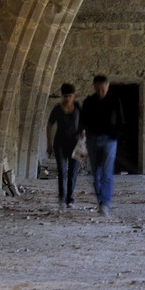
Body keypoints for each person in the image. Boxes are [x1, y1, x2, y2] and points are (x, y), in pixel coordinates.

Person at [80, 74, 123, 215]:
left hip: (109, 140)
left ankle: (105, 203)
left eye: (103, 89)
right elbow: (83, 121)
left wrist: (116, 135)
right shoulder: (89, 101)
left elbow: (121, 120)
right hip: (92, 140)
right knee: (96, 174)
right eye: (98, 89)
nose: (100, 92)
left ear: (107, 86)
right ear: (94, 86)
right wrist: (83, 133)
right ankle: (101, 200)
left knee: (107, 172)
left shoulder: (114, 100)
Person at [45, 84, 83, 212]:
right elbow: (49, 126)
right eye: (65, 96)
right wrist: (49, 144)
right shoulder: (57, 109)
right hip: (60, 143)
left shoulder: (78, 107)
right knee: (62, 171)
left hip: (76, 144)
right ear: (62, 96)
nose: (67, 99)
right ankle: (62, 198)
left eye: (70, 96)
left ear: (74, 96)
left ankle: (70, 199)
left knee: (73, 173)